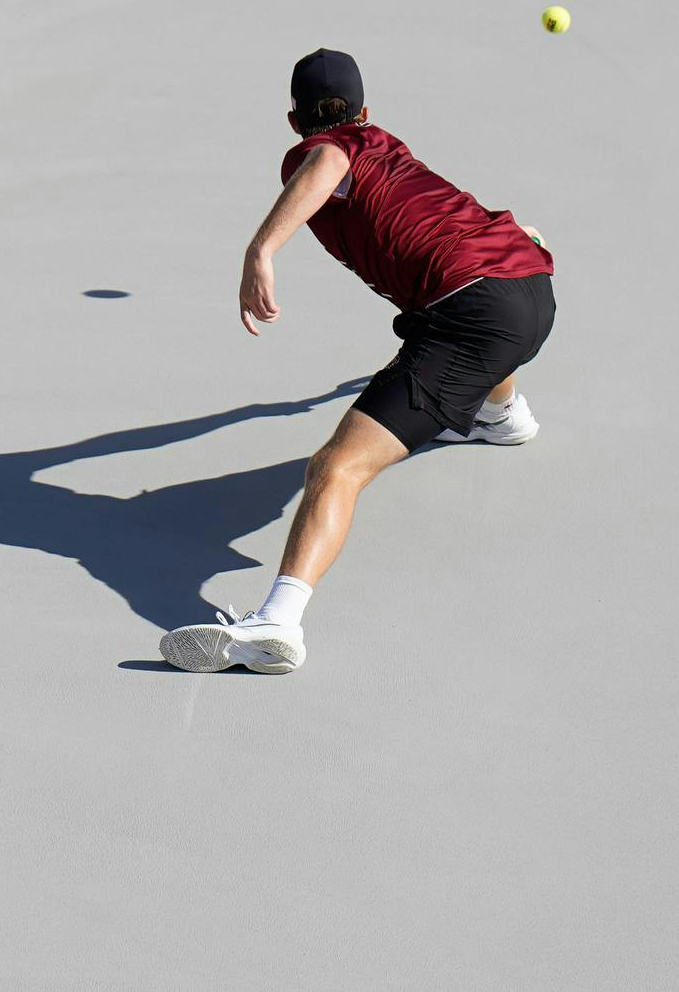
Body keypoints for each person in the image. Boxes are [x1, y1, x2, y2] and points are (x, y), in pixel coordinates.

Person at [160, 48, 556, 674]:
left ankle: (277, 623)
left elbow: (327, 161)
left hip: (473, 316)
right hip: (530, 282)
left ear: (294, 121)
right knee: (469, 322)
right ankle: (502, 416)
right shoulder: (386, 147)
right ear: (366, 111)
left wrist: (260, 250)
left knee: (335, 468)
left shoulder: (318, 152)